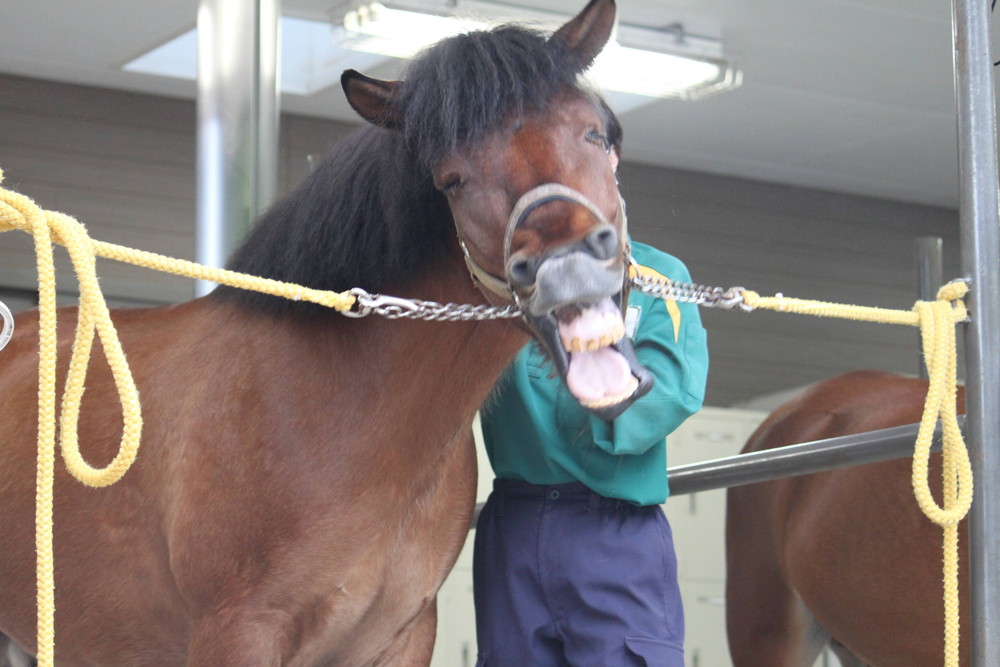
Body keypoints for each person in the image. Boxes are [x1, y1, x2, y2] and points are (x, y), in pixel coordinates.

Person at [472, 117, 709, 667]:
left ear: (610, 162)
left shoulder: (655, 273)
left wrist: (596, 397)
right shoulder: (496, 283)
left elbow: (672, 389)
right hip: (514, 520)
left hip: (614, 524)